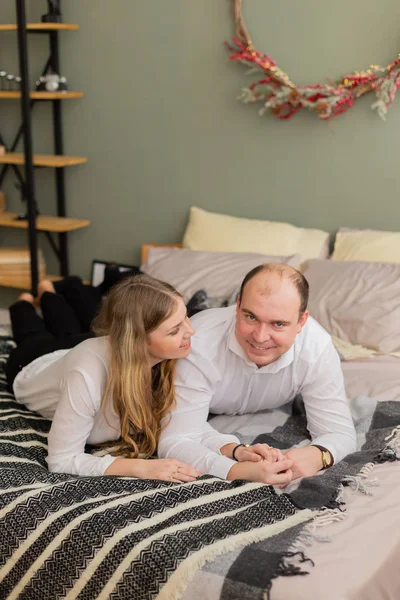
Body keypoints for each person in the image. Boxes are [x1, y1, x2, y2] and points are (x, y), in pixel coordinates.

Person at [158, 263, 357, 485]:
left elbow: (341, 433)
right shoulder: (197, 341)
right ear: (238, 306)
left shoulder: (317, 348)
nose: (260, 337)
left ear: (302, 321)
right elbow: (176, 439)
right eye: (251, 317)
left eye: (278, 324)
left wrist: (320, 454)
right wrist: (236, 469)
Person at [7, 274, 201, 482]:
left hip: (77, 351)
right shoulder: (86, 374)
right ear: (137, 341)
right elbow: (62, 459)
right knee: (34, 334)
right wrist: (141, 468)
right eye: (174, 330)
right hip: (33, 361)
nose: (191, 331)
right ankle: (25, 301)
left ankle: (47, 291)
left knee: (67, 329)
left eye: (186, 317)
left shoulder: (165, 356)